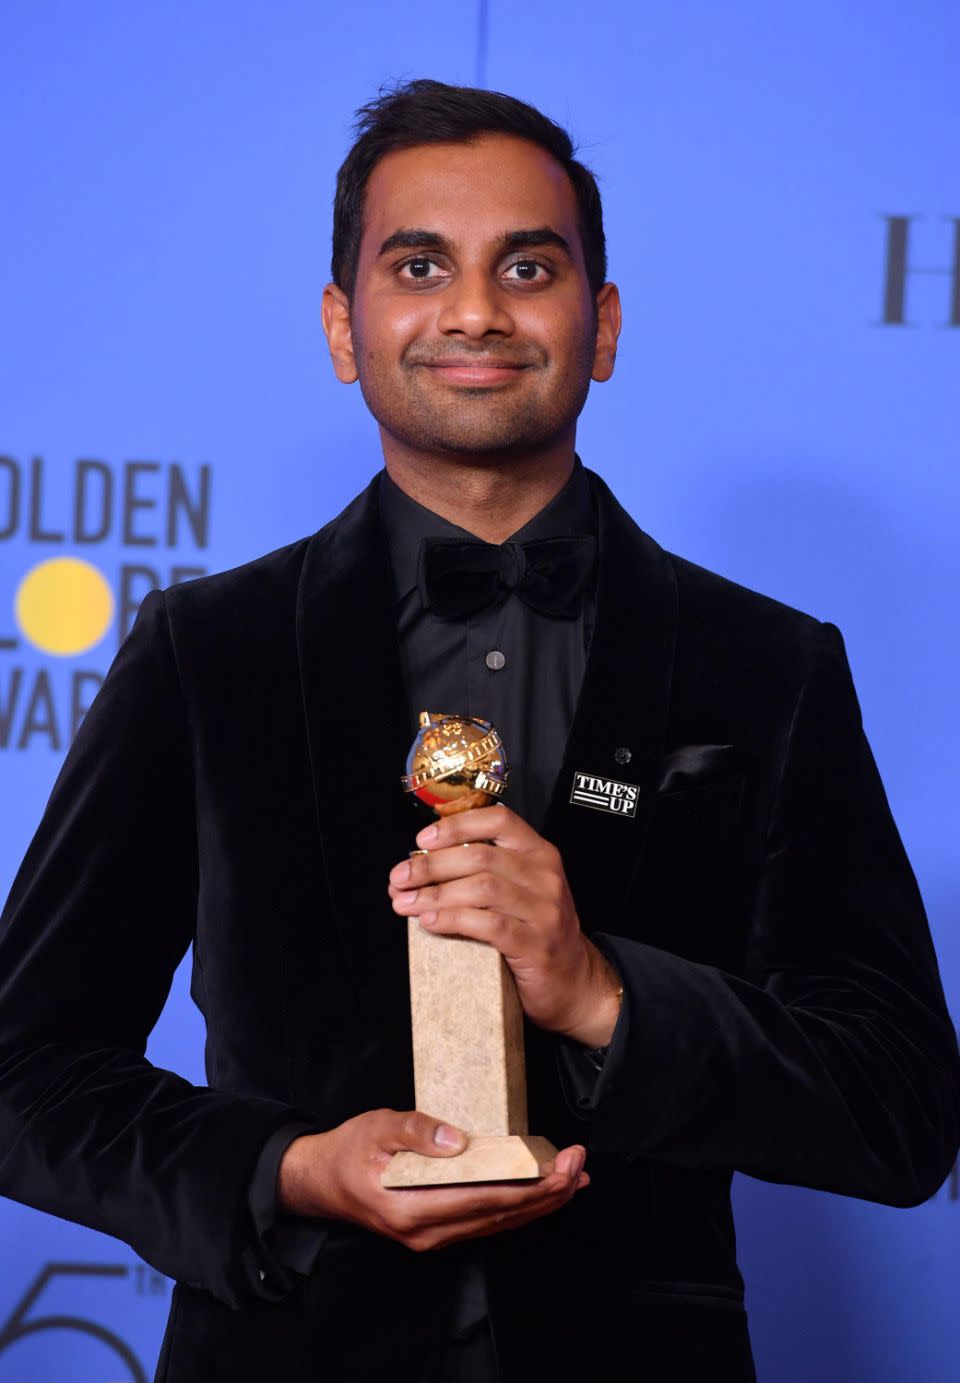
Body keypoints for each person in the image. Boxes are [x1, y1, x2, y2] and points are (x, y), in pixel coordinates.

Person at [0, 79, 957, 1383]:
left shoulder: (769, 666)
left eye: (527, 264)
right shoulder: (203, 653)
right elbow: (24, 1072)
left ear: (601, 322)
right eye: (418, 265)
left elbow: (902, 1110)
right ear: (345, 325)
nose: (474, 312)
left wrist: (604, 995)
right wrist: (289, 1171)